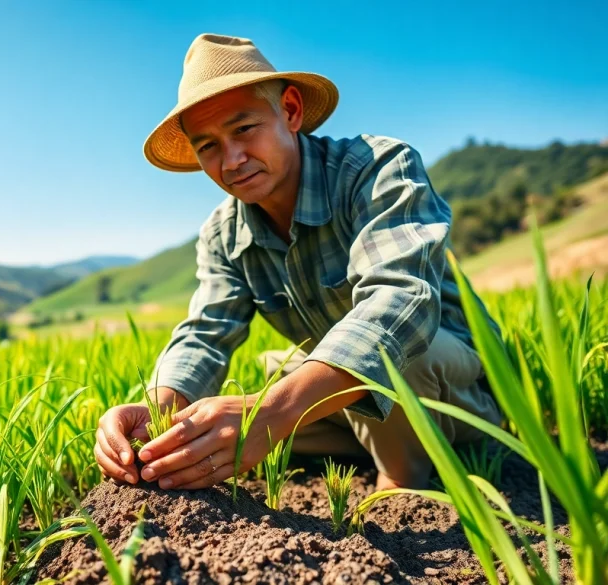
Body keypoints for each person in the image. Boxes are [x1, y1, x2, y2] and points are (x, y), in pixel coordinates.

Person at [94, 33, 503, 491]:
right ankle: (365, 444)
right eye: (208, 146)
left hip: (455, 395)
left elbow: (399, 301)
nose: (232, 160)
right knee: (253, 388)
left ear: (290, 111)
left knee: (397, 355)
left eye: (244, 129)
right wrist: (160, 408)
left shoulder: (377, 168)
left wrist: (270, 412)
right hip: (347, 405)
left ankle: (400, 488)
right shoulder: (222, 235)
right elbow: (207, 333)